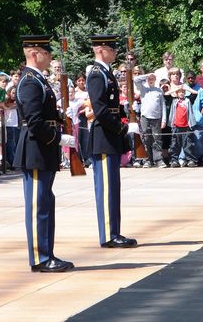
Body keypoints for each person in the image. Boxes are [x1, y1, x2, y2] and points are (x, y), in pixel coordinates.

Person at [13, 35, 75, 272]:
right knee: (38, 204)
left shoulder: (37, 80)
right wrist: (59, 138)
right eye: (46, 52)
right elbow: (35, 121)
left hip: (42, 148)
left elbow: (43, 115)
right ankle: (40, 258)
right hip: (36, 149)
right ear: (34, 54)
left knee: (46, 201)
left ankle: (47, 252)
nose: (49, 57)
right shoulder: (30, 81)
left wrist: (60, 116)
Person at [86, 34, 138, 248]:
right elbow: (100, 109)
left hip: (111, 136)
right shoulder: (97, 74)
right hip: (105, 136)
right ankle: (109, 234)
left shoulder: (106, 72)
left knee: (113, 187)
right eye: (111, 47)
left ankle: (114, 231)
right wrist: (123, 128)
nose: (115, 51)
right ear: (100, 49)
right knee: (107, 188)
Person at [134, 72, 167, 168]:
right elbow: (135, 79)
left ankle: (159, 160)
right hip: (145, 117)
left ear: (155, 80)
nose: (151, 80)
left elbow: (163, 106)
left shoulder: (159, 91)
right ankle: (148, 159)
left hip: (156, 118)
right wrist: (147, 75)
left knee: (157, 139)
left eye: (153, 79)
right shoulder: (143, 89)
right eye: (149, 79)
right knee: (146, 138)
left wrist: (164, 120)